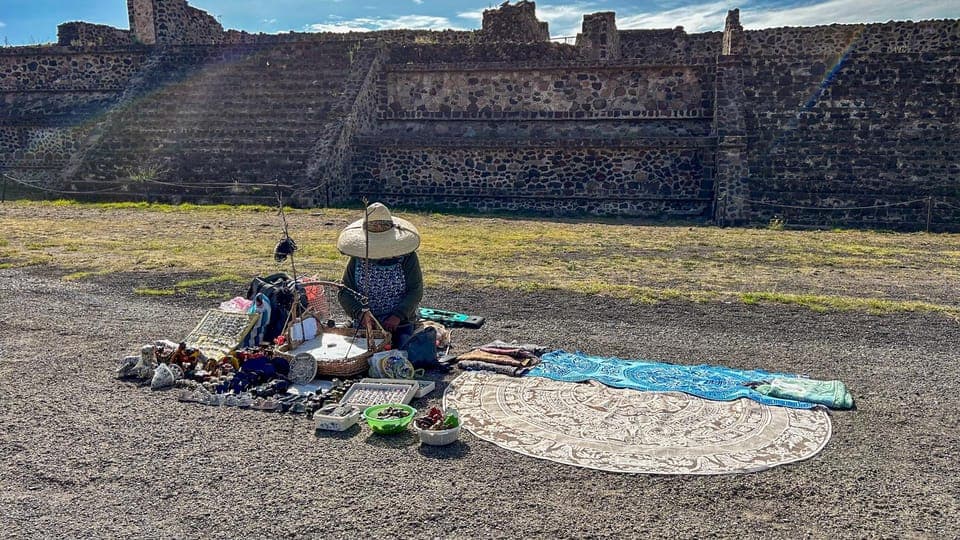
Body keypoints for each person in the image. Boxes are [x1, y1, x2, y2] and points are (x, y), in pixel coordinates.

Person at [336, 202, 423, 348]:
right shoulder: (358, 259)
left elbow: (416, 290)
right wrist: (361, 315)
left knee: (405, 350)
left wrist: (397, 316)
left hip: (399, 323)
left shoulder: (407, 258)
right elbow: (345, 292)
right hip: (366, 323)